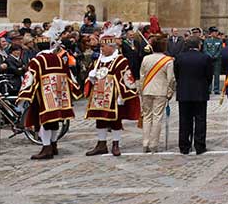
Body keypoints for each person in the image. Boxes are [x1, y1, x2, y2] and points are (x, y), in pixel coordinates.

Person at [18, 28, 78, 160]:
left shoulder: (37, 60)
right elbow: (70, 76)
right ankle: (53, 144)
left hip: (44, 95)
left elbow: (29, 78)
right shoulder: (58, 59)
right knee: (55, 120)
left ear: (37, 46)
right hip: (60, 94)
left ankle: (46, 148)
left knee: (45, 121)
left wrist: (22, 94)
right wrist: (74, 90)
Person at [82, 26, 141, 156]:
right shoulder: (98, 61)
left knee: (115, 120)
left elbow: (126, 77)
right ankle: (101, 144)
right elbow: (92, 76)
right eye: (101, 46)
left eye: (103, 47)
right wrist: (91, 78)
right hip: (99, 95)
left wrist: (121, 96)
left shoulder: (120, 61)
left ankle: (116, 144)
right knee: (100, 119)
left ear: (111, 47)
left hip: (114, 96)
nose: (101, 49)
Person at [173, 36, 212, 155]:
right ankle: (200, 146)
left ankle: (184, 146)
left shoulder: (179, 58)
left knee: (184, 120)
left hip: (184, 92)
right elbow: (209, 76)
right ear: (198, 45)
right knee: (200, 119)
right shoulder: (205, 58)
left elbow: (177, 74)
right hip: (200, 92)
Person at [138, 34, 175, 153]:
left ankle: (145, 142)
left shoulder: (146, 59)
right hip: (160, 91)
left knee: (147, 117)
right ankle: (154, 144)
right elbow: (171, 79)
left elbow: (142, 76)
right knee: (157, 117)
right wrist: (170, 92)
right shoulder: (168, 61)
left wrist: (141, 90)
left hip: (146, 90)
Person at [204, 27, 225, 96]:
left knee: (216, 75)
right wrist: (209, 56)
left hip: (217, 60)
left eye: (216, 32)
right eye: (214, 32)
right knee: (209, 74)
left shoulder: (219, 41)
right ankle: (209, 89)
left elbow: (220, 50)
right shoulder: (207, 40)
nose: (216, 33)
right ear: (211, 33)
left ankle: (216, 89)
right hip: (209, 60)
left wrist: (216, 56)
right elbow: (205, 50)